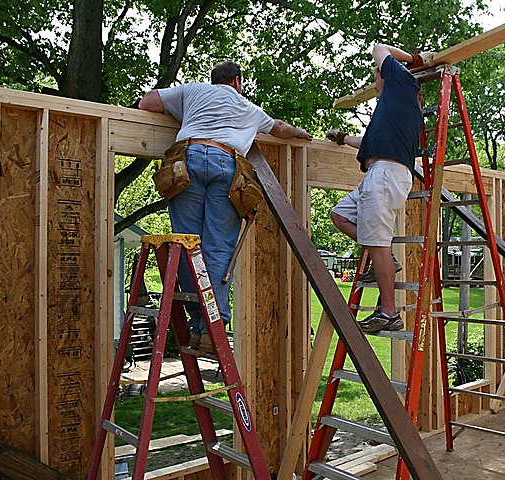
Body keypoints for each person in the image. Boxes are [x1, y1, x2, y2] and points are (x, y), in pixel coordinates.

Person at [139, 61, 311, 353]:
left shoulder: (192, 91)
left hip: (187, 161)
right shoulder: (247, 107)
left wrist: (182, 112)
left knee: (186, 244)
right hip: (226, 165)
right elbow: (280, 128)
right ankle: (212, 329)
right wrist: (301, 133)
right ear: (237, 82)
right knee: (217, 249)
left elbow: (147, 102)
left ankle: (197, 326)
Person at [327, 44, 430, 333]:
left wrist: (413, 59)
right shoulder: (389, 112)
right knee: (339, 215)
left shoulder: (402, 84)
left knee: (378, 244)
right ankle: (384, 257)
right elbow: (368, 141)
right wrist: (342, 137)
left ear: (390, 74)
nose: (375, 84)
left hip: (385, 176)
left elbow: (379, 47)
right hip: (377, 174)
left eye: (377, 77)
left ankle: (388, 312)